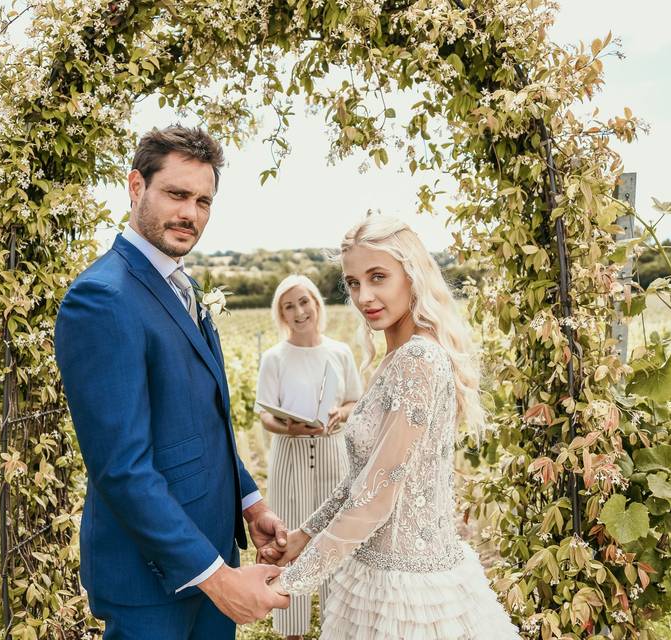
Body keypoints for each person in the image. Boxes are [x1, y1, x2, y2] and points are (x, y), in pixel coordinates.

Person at [55, 125, 290, 640]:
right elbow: (121, 468)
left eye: (203, 201)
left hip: (211, 552)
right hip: (152, 581)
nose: (191, 214)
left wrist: (249, 503)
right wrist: (217, 578)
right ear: (136, 187)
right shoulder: (101, 298)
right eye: (177, 194)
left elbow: (203, 419)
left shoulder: (184, 285)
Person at [264, 216, 519, 639]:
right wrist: (303, 536)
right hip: (376, 578)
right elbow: (361, 479)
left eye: (378, 277)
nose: (365, 296)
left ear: (412, 274)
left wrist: (290, 582)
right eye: (354, 282)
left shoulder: (419, 360)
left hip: (409, 595)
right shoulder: (396, 358)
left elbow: (375, 496)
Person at [254, 274, 363, 639]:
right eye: (289, 306)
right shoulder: (274, 358)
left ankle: (337, 625)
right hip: (290, 455)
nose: (299, 311)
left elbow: (353, 400)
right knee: (288, 539)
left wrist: (340, 414)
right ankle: (292, 630)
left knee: (333, 536)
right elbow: (266, 414)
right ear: (281, 314)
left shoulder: (340, 352)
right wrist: (289, 427)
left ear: (317, 303)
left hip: (334, 452)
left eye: (305, 302)